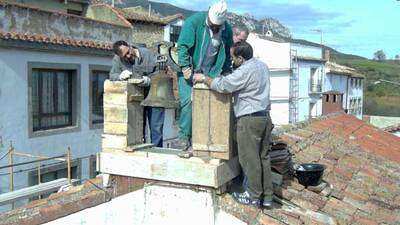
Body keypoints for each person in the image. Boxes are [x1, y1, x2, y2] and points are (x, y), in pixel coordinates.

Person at [193, 41, 273, 208]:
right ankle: (267, 196)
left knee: (249, 159)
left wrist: (204, 78)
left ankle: (253, 195)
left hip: (249, 119)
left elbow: (223, 86)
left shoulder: (245, 70)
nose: (232, 60)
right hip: (264, 117)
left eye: (233, 58)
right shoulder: (262, 66)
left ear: (241, 58)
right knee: (263, 157)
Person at [176, 0, 233, 151]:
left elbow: (227, 53)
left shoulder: (227, 30)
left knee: (208, 103)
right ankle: (183, 137)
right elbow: (182, 46)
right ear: (208, 15)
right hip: (190, 68)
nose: (215, 28)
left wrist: (227, 71)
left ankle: (202, 139)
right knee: (188, 102)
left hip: (211, 72)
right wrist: (185, 66)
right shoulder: (193, 22)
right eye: (212, 25)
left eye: (217, 26)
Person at [110, 40, 165, 147]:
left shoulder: (149, 54)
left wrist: (149, 80)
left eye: (128, 52)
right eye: (125, 56)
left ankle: (157, 152)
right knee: (139, 127)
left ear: (130, 46)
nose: (129, 56)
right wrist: (119, 76)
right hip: (137, 98)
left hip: (155, 95)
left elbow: (161, 72)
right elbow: (112, 75)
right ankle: (142, 150)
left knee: (156, 128)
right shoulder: (117, 60)